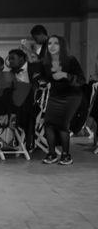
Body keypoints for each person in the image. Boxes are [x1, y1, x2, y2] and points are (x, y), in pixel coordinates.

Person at [41, 35, 85, 165]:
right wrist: (42, 82)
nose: (52, 46)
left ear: (62, 46)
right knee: (48, 123)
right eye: (49, 43)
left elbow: (81, 79)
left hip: (71, 96)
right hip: (55, 96)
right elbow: (44, 78)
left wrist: (65, 75)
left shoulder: (71, 60)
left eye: (56, 43)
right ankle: (51, 153)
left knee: (62, 124)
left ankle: (66, 155)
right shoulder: (46, 62)